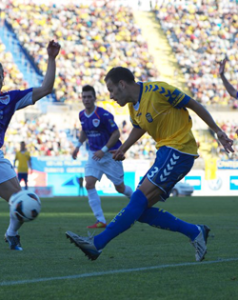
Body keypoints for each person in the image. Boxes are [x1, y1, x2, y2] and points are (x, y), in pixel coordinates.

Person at [66, 67, 234, 262]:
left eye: (111, 90)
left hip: (179, 150)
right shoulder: (132, 106)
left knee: (137, 201)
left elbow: (193, 104)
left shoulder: (158, 91)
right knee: (140, 211)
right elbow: (139, 128)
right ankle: (195, 231)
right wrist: (124, 148)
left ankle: (97, 244)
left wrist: (217, 131)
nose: (111, 96)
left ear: (122, 84)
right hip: (165, 152)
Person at [0, 40, 60, 250]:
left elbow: (46, 88)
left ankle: (11, 233)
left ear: (2, 79)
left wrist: (51, 59)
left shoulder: (10, 99)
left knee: (22, 202)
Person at [72, 85, 133, 229]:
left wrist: (104, 149)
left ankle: (139, 201)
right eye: (84, 97)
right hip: (94, 155)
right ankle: (101, 220)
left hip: (111, 154)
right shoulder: (81, 115)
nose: (86, 99)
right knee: (89, 183)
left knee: (120, 188)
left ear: (94, 98)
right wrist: (77, 146)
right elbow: (85, 131)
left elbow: (116, 134)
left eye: (89, 97)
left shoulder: (104, 115)